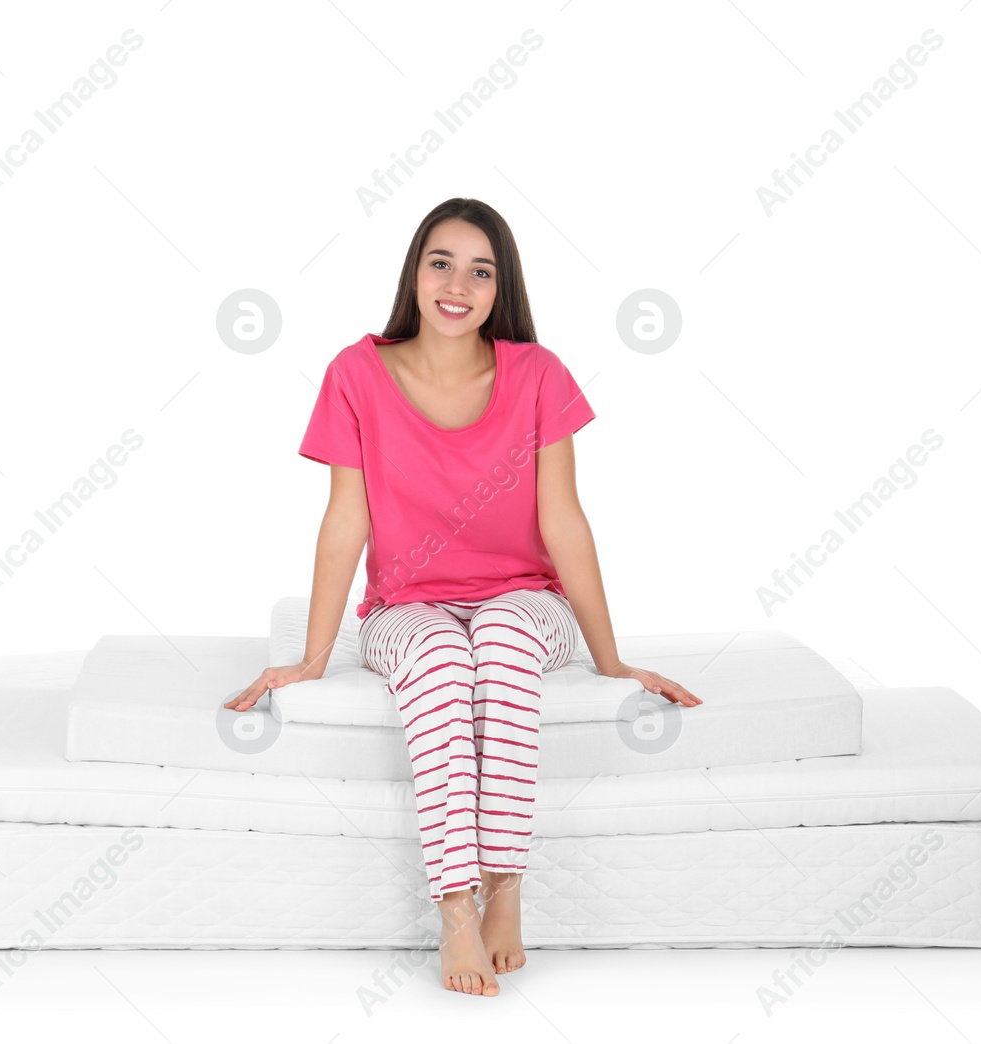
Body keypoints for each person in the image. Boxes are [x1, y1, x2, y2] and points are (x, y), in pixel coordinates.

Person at [226, 197, 701, 998]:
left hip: (526, 598)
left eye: (480, 271)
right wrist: (312, 657)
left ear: (499, 287)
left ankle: (506, 886)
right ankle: (456, 905)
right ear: (415, 272)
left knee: (506, 642)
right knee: (444, 660)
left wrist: (612, 659)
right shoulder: (356, 373)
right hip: (407, 607)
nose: (457, 285)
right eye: (441, 263)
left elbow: (564, 521)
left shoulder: (539, 374)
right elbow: (346, 520)